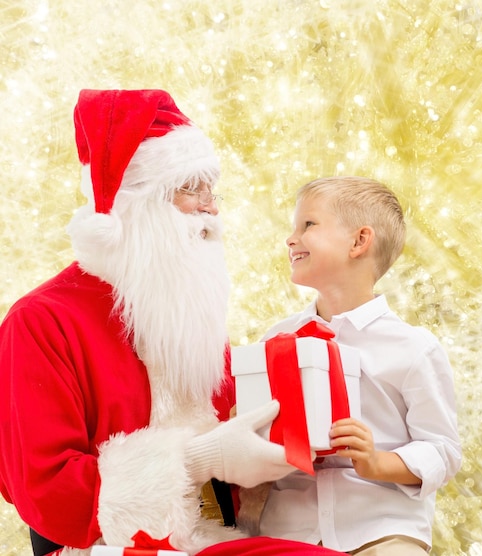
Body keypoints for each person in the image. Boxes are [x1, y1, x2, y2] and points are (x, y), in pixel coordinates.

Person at [0, 89, 345, 556]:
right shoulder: (41, 321)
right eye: (191, 188)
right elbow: (47, 496)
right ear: (136, 202)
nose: (212, 208)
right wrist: (200, 459)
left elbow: (234, 446)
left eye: (212, 189)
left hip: (218, 536)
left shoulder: (187, 315)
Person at [242, 176, 462, 555]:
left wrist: (377, 462)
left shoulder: (413, 348)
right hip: (289, 532)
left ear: (359, 241)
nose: (290, 238)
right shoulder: (276, 340)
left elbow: (442, 450)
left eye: (307, 225)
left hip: (381, 531)